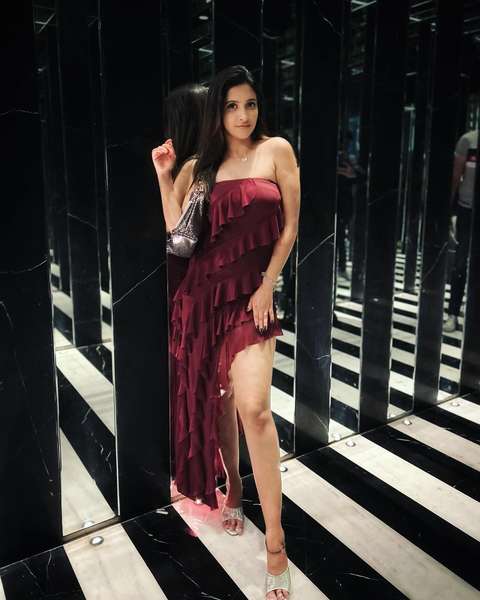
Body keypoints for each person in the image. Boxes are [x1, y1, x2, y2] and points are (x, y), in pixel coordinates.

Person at [152, 65, 300, 600]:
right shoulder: (200, 166)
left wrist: (267, 285)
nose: (243, 115)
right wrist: (165, 177)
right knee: (219, 400)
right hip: (203, 297)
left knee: (255, 410)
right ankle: (234, 487)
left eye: (250, 104)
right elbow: (179, 238)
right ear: (217, 111)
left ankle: (276, 541)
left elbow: (290, 226)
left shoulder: (276, 151)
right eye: (232, 106)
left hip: (251, 297)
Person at [153, 83, 208, 495]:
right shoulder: (219, 164)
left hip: (189, 281)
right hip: (208, 281)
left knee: (190, 376)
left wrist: (163, 177)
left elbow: (179, 238)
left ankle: (192, 470)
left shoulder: (194, 166)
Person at [443, 129, 476, 333]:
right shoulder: (469, 140)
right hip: (467, 209)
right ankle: (453, 313)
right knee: (461, 262)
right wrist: (448, 209)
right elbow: (455, 176)